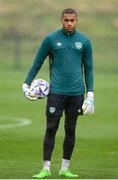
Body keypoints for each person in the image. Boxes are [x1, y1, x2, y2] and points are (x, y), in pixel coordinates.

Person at [22, 8, 94, 179]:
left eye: (72, 20)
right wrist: (26, 84)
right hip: (56, 93)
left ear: (77, 21)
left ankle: (65, 168)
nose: (69, 23)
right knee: (51, 128)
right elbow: (37, 63)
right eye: (66, 20)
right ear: (61, 20)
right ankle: (46, 168)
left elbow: (89, 69)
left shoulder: (84, 41)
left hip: (76, 94)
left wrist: (90, 94)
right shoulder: (51, 40)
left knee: (70, 130)